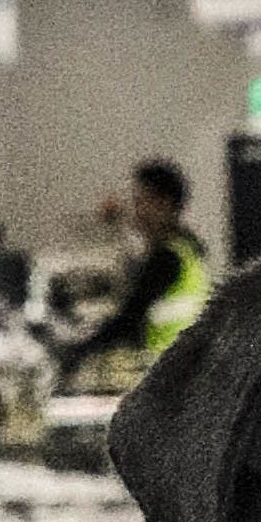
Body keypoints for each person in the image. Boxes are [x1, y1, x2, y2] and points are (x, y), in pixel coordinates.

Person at [58, 158, 215, 386]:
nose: (135, 211)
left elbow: (130, 317)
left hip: (170, 373)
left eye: (140, 201)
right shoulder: (187, 247)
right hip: (182, 367)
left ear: (163, 203)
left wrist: (80, 349)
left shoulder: (167, 258)